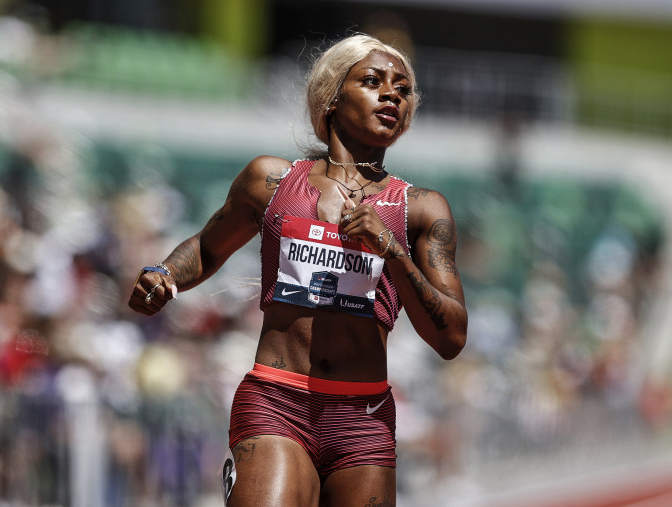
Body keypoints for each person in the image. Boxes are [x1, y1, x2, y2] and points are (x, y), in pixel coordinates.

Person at [128, 33, 468, 506]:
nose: (392, 94)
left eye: (403, 88)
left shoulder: (422, 210)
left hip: (362, 415)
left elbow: (451, 337)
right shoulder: (269, 181)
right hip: (276, 401)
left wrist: (390, 249)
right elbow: (206, 248)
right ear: (331, 97)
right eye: (373, 81)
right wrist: (162, 272)